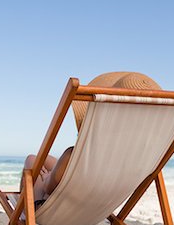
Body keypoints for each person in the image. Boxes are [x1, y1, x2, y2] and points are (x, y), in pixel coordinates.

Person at [22, 71, 162, 209]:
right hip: (99, 203)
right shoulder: (142, 157)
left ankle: (23, 215)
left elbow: (49, 189)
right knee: (40, 159)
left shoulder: (73, 156)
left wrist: (47, 178)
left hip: (68, 202)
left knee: (31, 160)